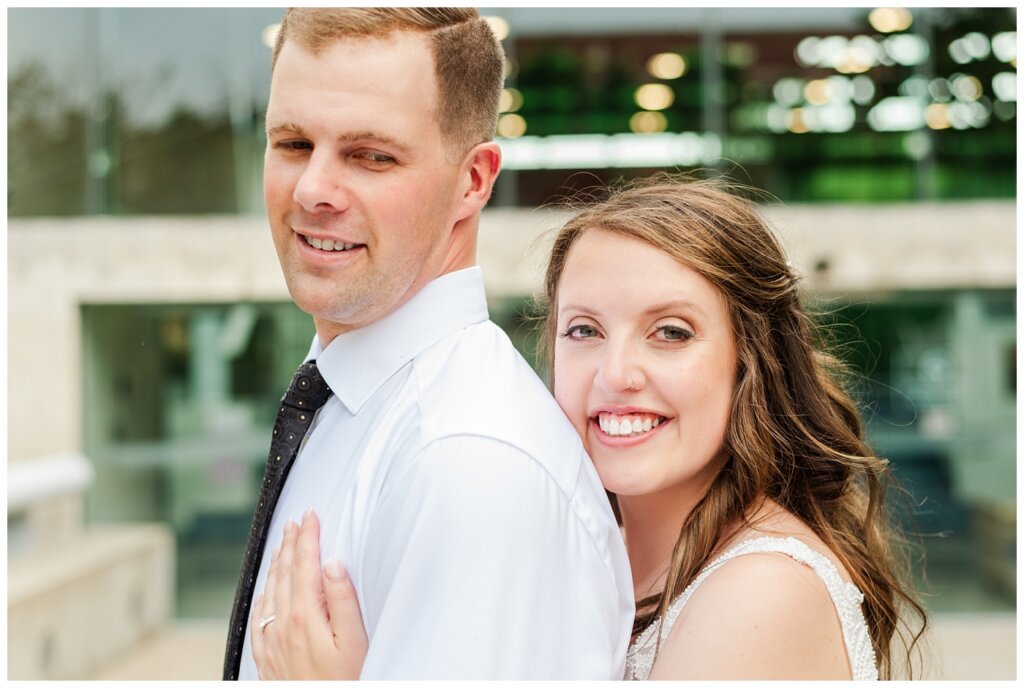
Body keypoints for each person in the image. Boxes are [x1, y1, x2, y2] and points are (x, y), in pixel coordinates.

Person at [253, 175, 928, 680]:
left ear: (748, 360)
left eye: (670, 332)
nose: (616, 373)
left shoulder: (763, 590)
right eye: (584, 330)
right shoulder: (589, 545)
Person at [224, 7, 634, 681]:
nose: (312, 189)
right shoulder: (346, 395)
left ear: (473, 181)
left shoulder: (469, 462)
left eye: (370, 156)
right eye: (293, 144)